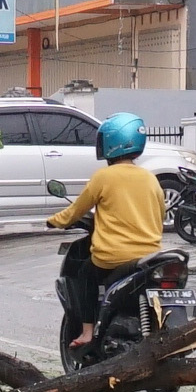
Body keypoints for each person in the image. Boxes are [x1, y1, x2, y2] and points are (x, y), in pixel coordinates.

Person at [51, 112, 162, 354]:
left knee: (84, 275)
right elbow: (160, 214)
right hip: (149, 257)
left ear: (111, 143)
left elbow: (75, 211)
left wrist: (53, 221)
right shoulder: (150, 178)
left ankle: (88, 332)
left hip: (113, 257)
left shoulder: (103, 177)